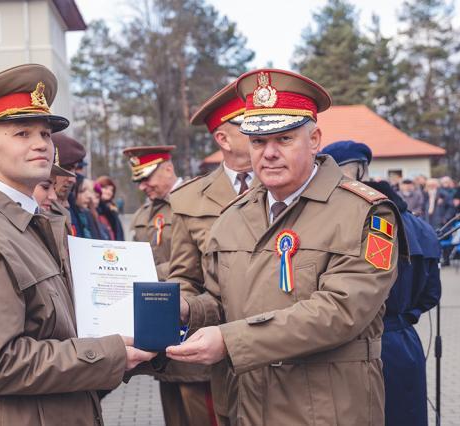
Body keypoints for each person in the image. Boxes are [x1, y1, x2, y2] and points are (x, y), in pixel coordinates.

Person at [0, 64, 155, 425]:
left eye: (45, 132)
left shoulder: (26, 224)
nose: (41, 143)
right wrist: (107, 353)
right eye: (22, 133)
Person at [167, 69, 401, 425]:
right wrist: (186, 309)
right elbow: (219, 301)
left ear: (315, 139)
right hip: (246, 407)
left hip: (327, 410)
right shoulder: (233, 216)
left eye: (285, 139)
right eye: (258, 142)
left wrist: (230, 341)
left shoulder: (366, 213)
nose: (269, 154)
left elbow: (339, 313)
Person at [323, 140, 440, 426]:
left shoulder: (352, 221)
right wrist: (405, 318)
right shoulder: (419, 225)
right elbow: (431, 294)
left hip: (362, 346)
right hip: (404, 342)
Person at [167, 80, 253, 425]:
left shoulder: (285, 186)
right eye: (250, 126)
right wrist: (185, 306)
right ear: (223, 139)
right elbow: (184, 276)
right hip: (224, 350)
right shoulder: (189, 199)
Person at [124, 145, 212, 426]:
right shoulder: (143, 215)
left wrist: (152, 274)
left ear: (169, 168)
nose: (143, 185)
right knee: (173, 413)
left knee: (200, 408)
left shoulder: (197, 205)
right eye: (138, 180)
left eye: (148, 177)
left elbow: (204, 262)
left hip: (195, 322)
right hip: (161, 332)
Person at [51, 132, 86, 231]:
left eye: (74, 170)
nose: (73, 179)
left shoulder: (73, 207)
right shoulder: (38, 210)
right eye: (65, 169)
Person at [96, 176, 125, 241]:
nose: (109, 192)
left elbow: (119, 233)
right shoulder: (92, 209)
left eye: (111, 190)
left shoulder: (112, 209)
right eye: (106, 188)